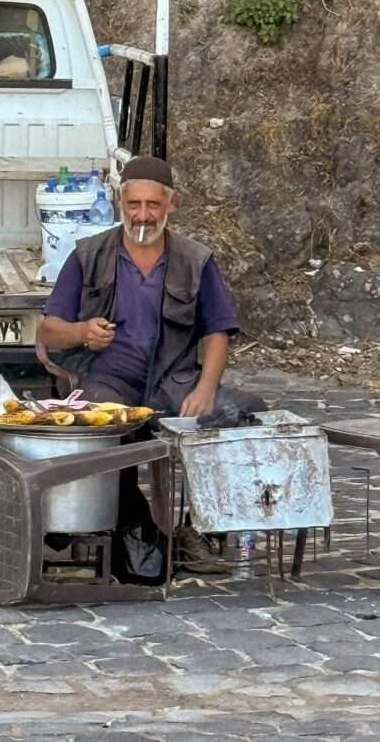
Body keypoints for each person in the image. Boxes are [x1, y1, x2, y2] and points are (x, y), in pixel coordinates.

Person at [38, 155, 267, 572]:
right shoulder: (88, 255)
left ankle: (197, 530)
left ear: (171, 205)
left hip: (175, 382)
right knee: (99, 424)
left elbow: (217, 332)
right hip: (110, 379)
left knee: (245, 413)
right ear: (120, 204)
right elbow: (49, 331)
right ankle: (134, 533)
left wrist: (205, 389)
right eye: (134, 205)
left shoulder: (195, 260)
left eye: (153, 206)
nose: (143, 216)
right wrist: (82, 332)